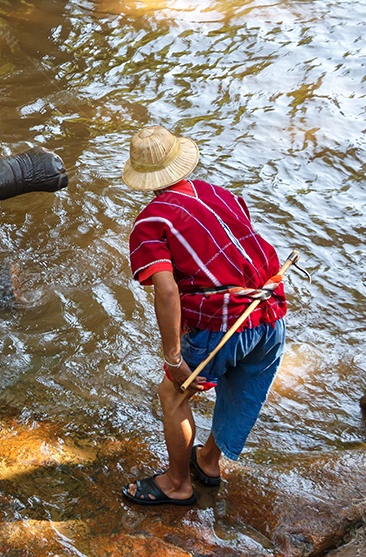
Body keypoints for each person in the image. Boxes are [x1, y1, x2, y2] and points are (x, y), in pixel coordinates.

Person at [119, 125, 287, 506]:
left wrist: (173, 357)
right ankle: (209, 462)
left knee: (173, 393)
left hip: (222, 323)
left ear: (143, 178)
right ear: (181, 161)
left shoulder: (150, 223)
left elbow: (166, 290)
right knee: (244, 388)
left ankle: (178, 484)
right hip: (271, 312)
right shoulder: (221, 193)